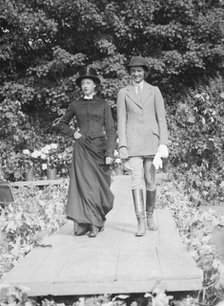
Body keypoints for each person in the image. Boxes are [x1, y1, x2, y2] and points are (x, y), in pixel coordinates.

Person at [58, 66, 116, 238]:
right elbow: (62, 124)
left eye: (89, 82)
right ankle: (90, 223)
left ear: (95, 85)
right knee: (85, 185)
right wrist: (73, 133)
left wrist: (110, 153)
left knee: (99, 186)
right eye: (83, 83)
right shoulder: (76, 105)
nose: (85, 86)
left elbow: (111, 129)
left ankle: (97, 219)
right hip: (82, 148)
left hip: (99, 148)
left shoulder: (103, 104)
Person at [117, 56, 169, 237]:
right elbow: (121, 121)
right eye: (133, 71)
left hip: (152, 143)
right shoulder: (124, 93)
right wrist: (122, 144)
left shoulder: (154, 91)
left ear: (144, 72)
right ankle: (140, 221)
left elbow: (161, 119)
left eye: (139, 71)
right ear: (130, 73)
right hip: (133, 144)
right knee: (136, 181)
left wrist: (163, 143)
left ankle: (150, 216)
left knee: (150, 180)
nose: (136, 74)